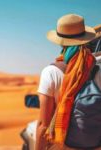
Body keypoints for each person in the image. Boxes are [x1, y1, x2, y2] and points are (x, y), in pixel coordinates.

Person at [35, 14, 101, 150]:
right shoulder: (96, 69)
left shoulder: (51, 73)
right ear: (85, 40)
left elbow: (43, 125)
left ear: (60, 42)